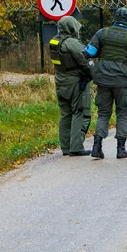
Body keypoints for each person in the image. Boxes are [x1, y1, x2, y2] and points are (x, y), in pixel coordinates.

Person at [85, 6, 127, 159]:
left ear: (114, 18)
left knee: (103, 113)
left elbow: (89, 53)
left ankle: (97, 146)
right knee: (122, 113)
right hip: (123, 82)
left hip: (103, 81)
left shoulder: (102, 33)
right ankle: (121, 149)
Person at [48, 15, 91, 156]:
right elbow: (84, 60)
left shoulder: (54, 41)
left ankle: (65, 147)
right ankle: (76, 146)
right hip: (75, 82)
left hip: (60, 81)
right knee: (80, 112)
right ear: (71, 27)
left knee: (65, 114)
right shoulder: (71, 43)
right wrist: (94, 73)